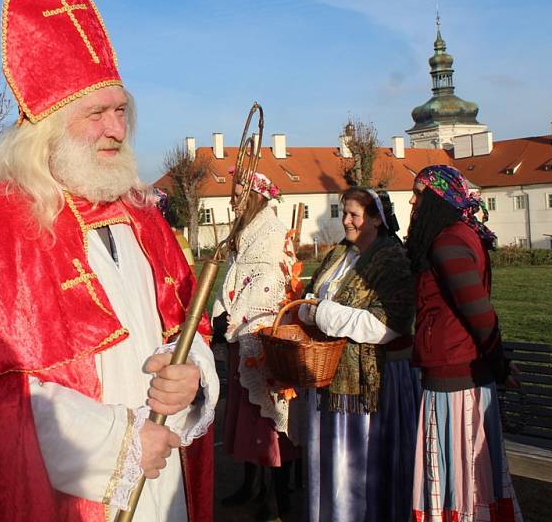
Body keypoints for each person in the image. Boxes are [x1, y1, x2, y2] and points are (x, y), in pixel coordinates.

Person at [0, 0, 217, 522]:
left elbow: (189, 328)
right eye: (95, 114)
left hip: (163, 480)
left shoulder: (143, 215)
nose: (114, 129)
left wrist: (194, 381)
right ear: (48, 131)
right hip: (70, 494)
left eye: (120, 111)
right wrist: (123, 446)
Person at [293, 187, 418, 522]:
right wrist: (313, 311)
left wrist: (322, 315)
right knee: (332, 463)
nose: (346, 221)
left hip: (371, 382)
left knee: (360, 465)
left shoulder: (391, 258)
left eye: (354, 215)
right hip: (331, 373)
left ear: (376, 219)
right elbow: (309, 297)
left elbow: (387, 325)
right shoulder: (340, 254)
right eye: (343, 213)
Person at [406, 165, 522, 521]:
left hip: (458, 380)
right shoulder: (452, 236)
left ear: (438, 199)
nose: (412, 201)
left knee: (461, 471)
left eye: (418, 194)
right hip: (455, 371)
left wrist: (500, 366)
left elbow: (480, 313)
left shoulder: (450, 242)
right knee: (460, 471)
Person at [211, 172, 296, 519]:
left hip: (262, 339)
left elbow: (269, 282)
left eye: (238, 195)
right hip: (239, 334)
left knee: (269, 423)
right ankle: (250, 485)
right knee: (245, 421)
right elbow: (231, 278)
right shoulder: (243, 232)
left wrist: (237, 315)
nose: (233, 201)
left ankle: (279, 499)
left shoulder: (271, 232)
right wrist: (221, 311)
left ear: (256, 197)